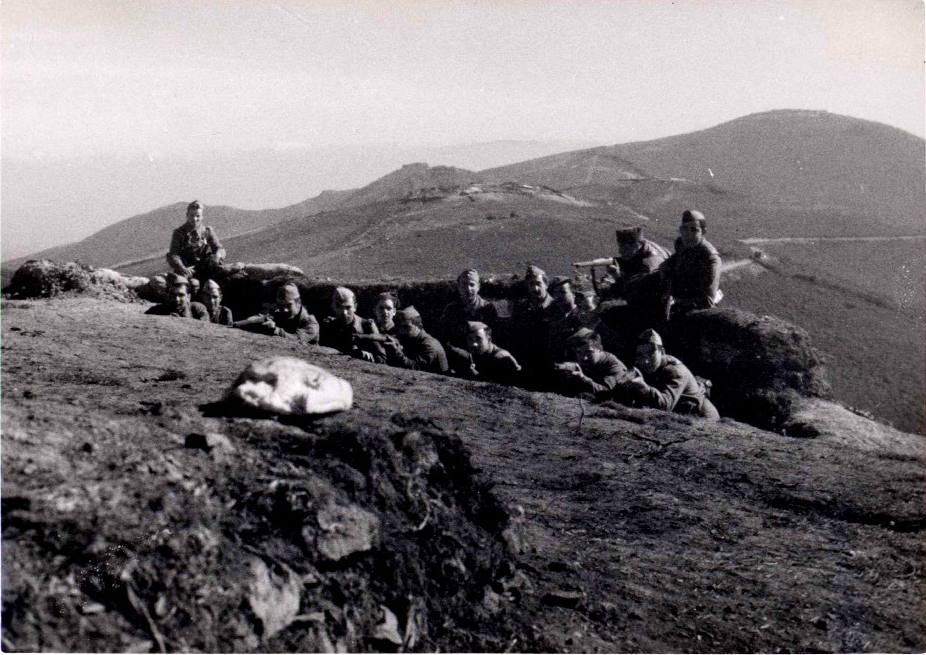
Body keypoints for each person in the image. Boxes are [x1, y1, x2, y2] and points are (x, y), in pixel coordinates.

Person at [620, 328, 720, 420]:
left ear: (662, 352)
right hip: (682, 417)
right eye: (641, 355)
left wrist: (644, 388)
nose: (646, 361)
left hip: (703, 418)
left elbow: (666, 406)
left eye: (651, 354)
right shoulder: (642, 367)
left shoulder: (676, 371)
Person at [659, 210, 722, 319]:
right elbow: (670, 263)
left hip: (695, 308)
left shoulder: (710, 259)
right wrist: (666, 274)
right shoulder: (681, 244)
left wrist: (676, 301)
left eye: (694, 230)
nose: (688, 235)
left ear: (703, 231)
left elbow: (707, 302)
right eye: (684, 229)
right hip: (677, 293)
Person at [438, 269, 501, 373]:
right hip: (458, 359)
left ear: (478, 287)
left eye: (472, 285)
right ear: (458, 287)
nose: (468, 289)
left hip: (484, 360)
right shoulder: (451, 310)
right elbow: (443, 338)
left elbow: (496, 338)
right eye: (464, 285)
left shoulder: (487, 309)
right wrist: (459, 352)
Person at [511, 265, 560, 383]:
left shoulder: (556, 307)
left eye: (539, 283)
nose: (535, 288)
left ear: (546, 284)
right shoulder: (520, 308)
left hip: (550, 361)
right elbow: (515, 334)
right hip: (526, 360)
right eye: (531, 284)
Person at [555, 328, 630, 401]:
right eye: (579, 352)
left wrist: (583, 379)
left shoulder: (614, 366)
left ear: (600, 349)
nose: (584, 358)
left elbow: (608, 393)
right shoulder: (582, 359)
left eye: (589, 352)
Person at [166, 200, 227, 283]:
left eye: (198, 216)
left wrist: (218, 255)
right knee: (189, 285)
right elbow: (174, 254)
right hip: (187, 270)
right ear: (187, 215)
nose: (194, 219)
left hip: (205, 268)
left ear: (202, 217)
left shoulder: (207, 231)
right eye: (191, 215)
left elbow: (219, 248)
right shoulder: (179, 233)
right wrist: (183, 268)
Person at [235, 283, 320, 343]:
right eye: (280, 306)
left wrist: (275, 329)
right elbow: (263, 319)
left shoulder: (310, 322)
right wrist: (238, 324)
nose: (284, 310)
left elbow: (297, 339)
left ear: (299, 303)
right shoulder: (279, 313)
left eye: (288, 305)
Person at [320, 287, 386, 362]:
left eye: (348, 308)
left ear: (355, 307)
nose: (344, 312)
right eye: (339, 307)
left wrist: (363, 354)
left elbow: (382, 359)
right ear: (333, 307)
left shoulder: (367, 326)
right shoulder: (328, 326)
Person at [382, 306, 449, 374]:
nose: (402, 331)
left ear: (419, 326)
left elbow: (414, 368)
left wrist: (397, 351)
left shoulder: (430, 345)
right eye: (400, 327)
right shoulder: (411, 339)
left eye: (406, 327)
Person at [463, 321, 521, 385]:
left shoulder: (501, 358)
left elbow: (503, 388)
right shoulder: (479, 352)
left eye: (479, 339)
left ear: (489, 340)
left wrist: (476, 375)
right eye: (470, 339)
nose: (474, 344)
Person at [144, 274, 209, 321]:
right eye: (172, 295)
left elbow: (205, 328)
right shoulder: (156, 311)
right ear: (167, 296)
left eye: (181, 295)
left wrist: (182, 322)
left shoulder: (197, 309)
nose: (176, 299)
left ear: (188, 297)